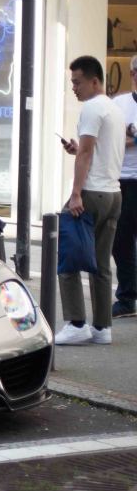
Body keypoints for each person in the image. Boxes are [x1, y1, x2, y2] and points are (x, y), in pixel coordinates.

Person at [56, 55, 126, 346]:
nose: (74, 87)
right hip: (113, 193)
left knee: (68, 258)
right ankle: (102, 328)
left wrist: (75, 194)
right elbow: (91, 151)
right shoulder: (114, 109)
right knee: (101, 263)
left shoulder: (91, 108)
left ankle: (75, 323)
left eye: (77, 82)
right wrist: (77, 150)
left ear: (94, 81)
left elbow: (86, 154)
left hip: (91, 193)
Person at [112, 54, 137, 319]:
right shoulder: (119, 104)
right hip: (122, 179)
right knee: (121, 242)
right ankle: (127, 298)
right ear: (133, 74)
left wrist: (130, 136)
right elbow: (111, 139)